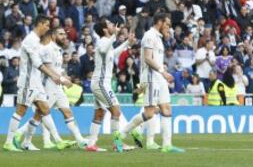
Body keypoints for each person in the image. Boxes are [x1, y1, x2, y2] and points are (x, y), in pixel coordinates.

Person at [3, 15, 72, 152]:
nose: (47, 28)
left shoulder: (37, 41)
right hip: (28, 81)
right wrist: (53, 75)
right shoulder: (30, 40)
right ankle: (8, 142)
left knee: (45, 110)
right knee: (20, 111)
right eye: (46, 25)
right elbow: (37, 62)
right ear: (40, 24)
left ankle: (57, 140)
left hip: (36, 82)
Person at [118, 13, 185, 153]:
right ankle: (120, 134)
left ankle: (167, 145)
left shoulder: (159, 38)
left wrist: (162, 70)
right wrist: (163, 71)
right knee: (149, 114)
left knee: (166, 109)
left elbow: (156, 59)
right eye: (166, 24)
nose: (168, 27)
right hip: (151, 77)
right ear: (159, 22)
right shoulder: (149, 36)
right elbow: (148, 59)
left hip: (160, 77)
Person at [16, 28, 88, 150]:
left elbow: (57, 69)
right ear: (53, 35)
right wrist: (64, 80)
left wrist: (65, 77)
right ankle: (21, 136)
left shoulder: (57, 50)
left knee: (67, 112)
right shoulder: (48, 49)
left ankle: (80, 140)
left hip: (57, 87)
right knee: (39, 115)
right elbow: (50, 70)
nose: (64, 36)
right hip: (48, 86)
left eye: (64, 34)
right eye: (61, 34)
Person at [85, 18, 136, 152]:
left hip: (99, 83)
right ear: (104, 29)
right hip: (101, 83)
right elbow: (102, 49)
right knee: (116, 111)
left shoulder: (107, 43)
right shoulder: (102, 41)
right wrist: (115, 36)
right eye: (110, 24)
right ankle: (117, 144)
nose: (113, 25)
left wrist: (127, 42)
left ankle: (91, 144)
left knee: (99, 113)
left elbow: (112, 53)